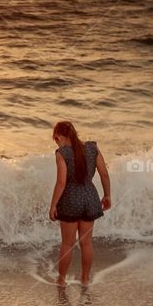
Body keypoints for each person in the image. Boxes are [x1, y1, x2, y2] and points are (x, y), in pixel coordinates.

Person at [48, 121, 111, 286]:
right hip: (90, 198)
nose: (57, 143)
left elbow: (61, 182)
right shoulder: (92, 148)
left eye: (56, 139)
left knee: (67, 244)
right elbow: (104, 174)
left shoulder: (62, 153)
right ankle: (85, 279)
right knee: (86, 242)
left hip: (70, 199)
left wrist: (53, 205)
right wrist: (107, 195)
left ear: (59, 136)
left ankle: (61, 280)